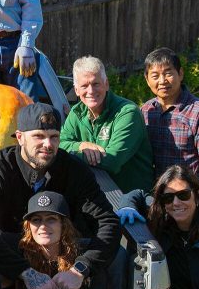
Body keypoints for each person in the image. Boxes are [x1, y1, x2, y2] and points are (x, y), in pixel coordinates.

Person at [0, 102, 121, 289]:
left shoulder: (75, 169)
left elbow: (108, 222)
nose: (48, 144)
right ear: (20, 137)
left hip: (64, 250)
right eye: (39, 136)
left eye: (54, 137)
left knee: (118, 255)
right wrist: (25, 272)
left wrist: (81, 269)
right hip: (15, 250)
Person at [140, 48, 199, 203]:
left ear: (181, 74)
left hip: (190, 198)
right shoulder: (146, 111)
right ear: (147, 80)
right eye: (155, 76)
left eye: (168, 73)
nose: (162, 80)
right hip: (157, 197)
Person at [60, 56, 154, 194]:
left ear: (106, 84)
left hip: (133, 200)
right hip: (97, 194)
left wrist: (74, 154)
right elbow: (60, 143)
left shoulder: (128, 113)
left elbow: (112, 160)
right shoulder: (77, 112)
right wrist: (81, 146)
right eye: (84, 86)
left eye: (96, 84)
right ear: (76, 90)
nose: (91, 91)